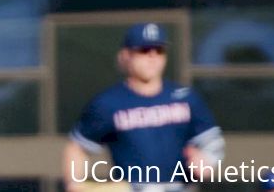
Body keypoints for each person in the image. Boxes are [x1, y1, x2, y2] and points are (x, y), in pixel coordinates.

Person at [63, 22, 226, 192]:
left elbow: (212, 140)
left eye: (159, 51)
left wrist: (207, 160)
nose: (152, 56)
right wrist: (74, 183)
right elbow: (77, 147)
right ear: (126, 56)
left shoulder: (185, 97)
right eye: (144, 50)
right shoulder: (108, 103)